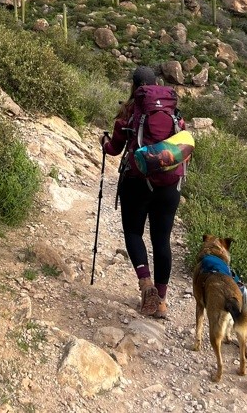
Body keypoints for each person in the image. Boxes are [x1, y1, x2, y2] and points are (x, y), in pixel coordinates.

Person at [100, 66, 183, 319]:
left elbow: (114, 149)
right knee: (162, 240)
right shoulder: (173, 114)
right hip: (169, 185)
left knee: (134, 232)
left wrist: (103, 143)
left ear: (134, 87)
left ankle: (145, 285)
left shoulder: (129, 114)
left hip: (137, 182)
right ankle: (161, 302)